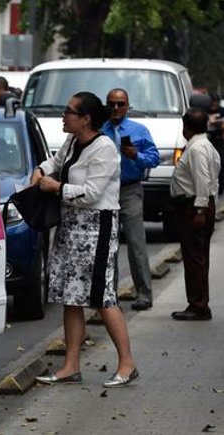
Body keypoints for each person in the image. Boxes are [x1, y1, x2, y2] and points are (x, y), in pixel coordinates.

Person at [33, 91, 138, 388]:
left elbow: (91, 193)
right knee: (70, 297)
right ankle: (70, 365)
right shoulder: (71, 142)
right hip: (70, 227)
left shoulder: (104, 148)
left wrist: (56, 187)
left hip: (97, 227)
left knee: (102, 297)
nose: (63, 117)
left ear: (86, 119)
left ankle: (127, 363)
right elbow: (55, 162)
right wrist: (40, 170)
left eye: (68, 112)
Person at [101, 88, 160, 311]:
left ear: (127, 106)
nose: (116, 108)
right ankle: (109, 295)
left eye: (120, 104)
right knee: (109, 245)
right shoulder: (99, 130)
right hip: (105, 191)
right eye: (112, 104)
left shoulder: (139, 130)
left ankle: (144, 293)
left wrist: (135, 154)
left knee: (136, 244)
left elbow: (154, 159)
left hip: (129, 190)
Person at [170, 107, 220, 321]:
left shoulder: (198, 149)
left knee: (194, 258)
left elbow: (203, 180)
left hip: (194, 207)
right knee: (198, 257)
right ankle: (198, 303)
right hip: (198, 205)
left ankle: (198, 306)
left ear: (186, 127)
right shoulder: (206, 145)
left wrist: (200, 209)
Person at [207, 93, 224, 194]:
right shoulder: (205, 110)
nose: (214, 105)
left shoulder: (222, 111)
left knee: (221, 162)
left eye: (216, 103)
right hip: (208, 139)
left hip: (219, 139)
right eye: (213, 103)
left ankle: (221, 187)